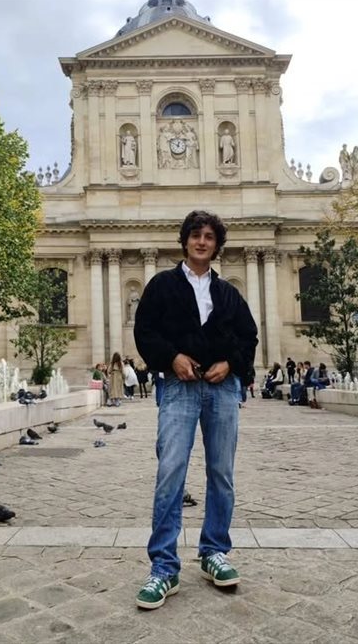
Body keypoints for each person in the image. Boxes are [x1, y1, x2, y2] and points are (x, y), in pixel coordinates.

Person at [134, 210, 258, 610]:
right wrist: (171, 357)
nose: (202, 241)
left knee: (221, 473)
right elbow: (144, 331)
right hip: (179, 388)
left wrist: (231, 363)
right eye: (195, 235)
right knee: (170, 472)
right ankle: (163, 566)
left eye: (209, 236)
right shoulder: (161, 285)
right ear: (185, 241)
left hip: (221, 390)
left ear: (217, 245)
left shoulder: (228, 293)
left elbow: (249, 336)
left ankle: (214, 551)